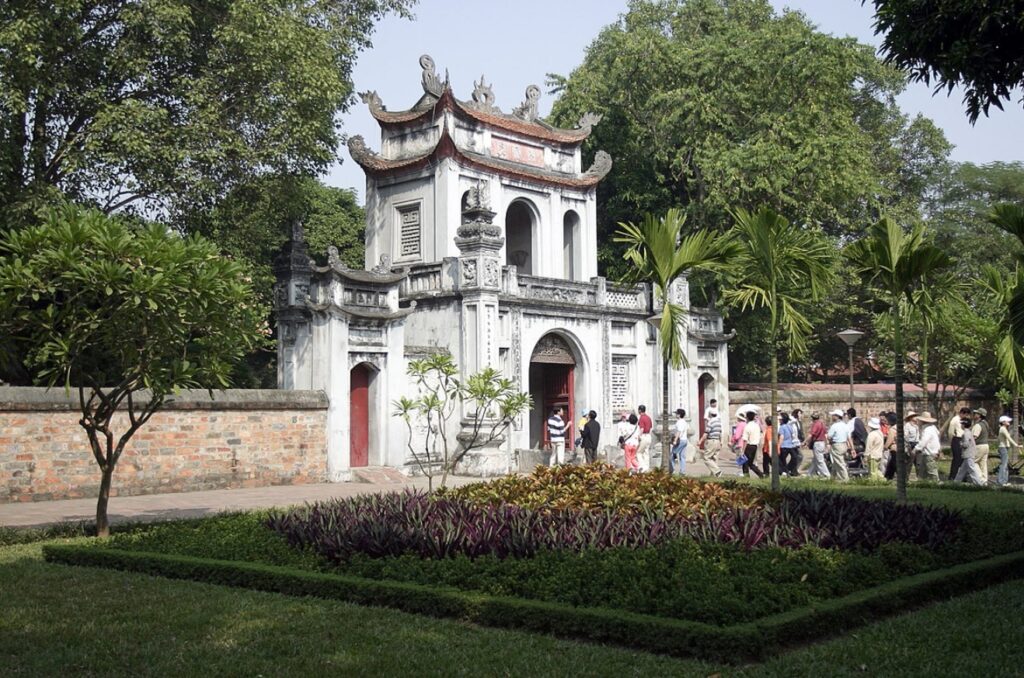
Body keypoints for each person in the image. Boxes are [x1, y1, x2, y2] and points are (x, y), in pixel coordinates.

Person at [953, 415, 984, 486]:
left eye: (961, 424)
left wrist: (961, 444)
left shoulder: (966, 433)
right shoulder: (969, 432)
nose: (961, 425)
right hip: (968, 454)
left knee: (972, 469)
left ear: (964, 425)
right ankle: (956, 483)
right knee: (962, 470)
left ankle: (979, 484)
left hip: (968, 454)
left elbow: (966, 444)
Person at [912, 411, 941, 482]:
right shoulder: (933, 428)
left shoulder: (927, 430)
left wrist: (915, 449)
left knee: (932, 471)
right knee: (922, 472)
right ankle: (921, 483)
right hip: (929, 452)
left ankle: (936, 483)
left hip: (929, 453)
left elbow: (923, 442)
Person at [946, 407, 970, 480]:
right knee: (956, 459)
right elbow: (950, 432)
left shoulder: (964, 420)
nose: (966, 416)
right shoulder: (955, 420)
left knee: (962, 459)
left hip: (963, 439)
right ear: (962, 413)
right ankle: (953, 476)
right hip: (957, 439)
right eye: (965, 414)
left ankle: (962, 476)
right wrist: (951, 441)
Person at [698, 409, 723, 477]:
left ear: (710, 415)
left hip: (711, 441)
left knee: (706, 457)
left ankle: (717, 471)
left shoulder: (710, 422)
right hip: (717, 441)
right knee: (714, 457)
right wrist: (721, 441)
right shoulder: (719, 423)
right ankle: (713, 474)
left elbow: (706, 433)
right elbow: (720, 433)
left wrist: (700, 441)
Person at [827, 409, 851, 482]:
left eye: (833, 415)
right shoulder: (845, 425)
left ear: (837, 416)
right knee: (836, 462)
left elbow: (829, 436)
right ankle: (833, 477)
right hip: (844, 445)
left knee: (840, 463)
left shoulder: (834, 426)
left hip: (837, 445)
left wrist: (829, 441)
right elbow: (848, 437)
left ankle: (845, 479)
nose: (832, 416)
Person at [997, 415, 1020, 486]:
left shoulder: (1004, 428)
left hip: (1005, 448)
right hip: (1003, 448)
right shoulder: (1002, 429)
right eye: (1007, 421)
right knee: (1003, 465)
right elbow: (1009, 438)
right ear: (1003, 422)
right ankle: (1001, 481)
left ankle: (1005, 481)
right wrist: (1016, 445)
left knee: (1006, 465)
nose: (1009, 421)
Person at [740, 411, 765, 478]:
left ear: (747, 418)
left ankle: (746, 476)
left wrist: (743, 450)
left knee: (745, 463)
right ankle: (760, 474)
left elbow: (745, 440)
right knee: (750, 463)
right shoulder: (756, 425)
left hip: (749, 445)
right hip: (755, 445)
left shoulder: (747, 426)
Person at [806, 411, 830, 478]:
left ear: (812, 418)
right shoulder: (822, 424)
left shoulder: (815, 424)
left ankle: (826, 475)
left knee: (819, 460)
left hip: (817, 443)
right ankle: (810, 473)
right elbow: (826, 434)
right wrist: (827, 443)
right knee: (815, 460)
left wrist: (805, 442)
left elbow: (811, 435)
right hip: (822, 443)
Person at [972, 408, 991, 483]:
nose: (974, 415)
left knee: (973, 462)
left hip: (979, 446)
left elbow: (974, 436)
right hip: (986, 445)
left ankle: (980, 479)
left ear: (980, 415)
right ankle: (984, 480)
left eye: (976, 414)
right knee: (983, 464)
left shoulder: (978, 425)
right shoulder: (986, 424)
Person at [778, 412, 799, 477]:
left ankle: (784, 471)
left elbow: (781, 437)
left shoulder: (782, 427)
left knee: (782, 460)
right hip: (790, 445)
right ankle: (787, 470)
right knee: (794, 457)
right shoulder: (790, 426)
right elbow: (792, 435)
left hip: (783, 445)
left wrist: (778, 446)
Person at [670, 408, 689, 475]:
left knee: (672, 454)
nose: (676, 415)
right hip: (685, 440)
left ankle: (672, 469)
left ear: (679, 415)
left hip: (680, 440)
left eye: (676, 413)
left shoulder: (680, 422)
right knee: (682, 456)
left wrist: (675, 440)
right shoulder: (684, 422)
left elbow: (679, 432)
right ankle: (682, 471)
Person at [636, 404, 654, 472]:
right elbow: (650, 427)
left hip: (643, 436)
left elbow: (642, 428)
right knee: (646, 452)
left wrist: (639, 436)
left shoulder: (641, 418)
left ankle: (643, 466)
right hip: (648, 435)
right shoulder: (648, 417)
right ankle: (647, 467)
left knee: (638, 453)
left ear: (640, 410)